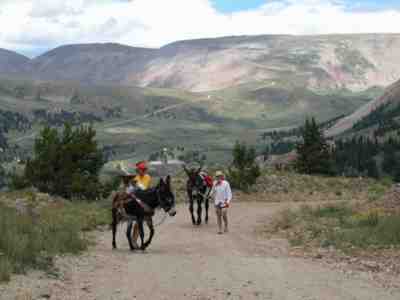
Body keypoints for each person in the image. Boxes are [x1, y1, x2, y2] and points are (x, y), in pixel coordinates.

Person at [130, 161, 152, 246]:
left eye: (144, 169)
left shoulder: (148, 177)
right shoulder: (135, 178)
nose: (143, 171)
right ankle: (134, 240)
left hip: (144, 199)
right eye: (141, 169)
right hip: (137, 199)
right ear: (138, 170)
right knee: (139, 221)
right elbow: (134, 189)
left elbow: (146, 188)